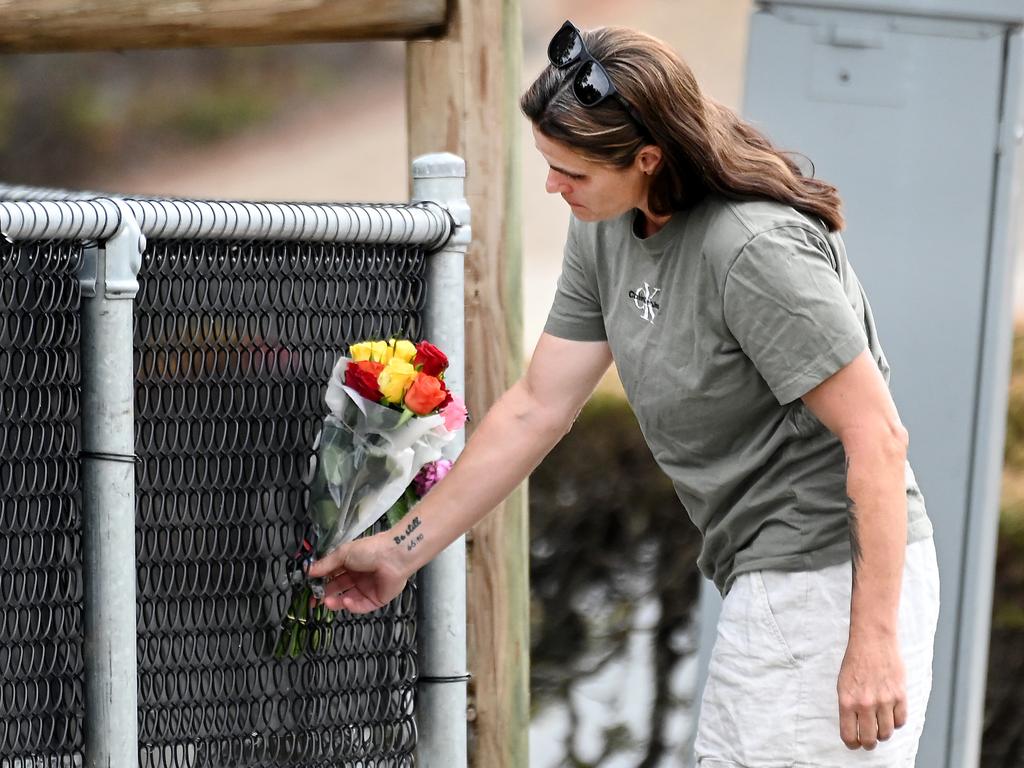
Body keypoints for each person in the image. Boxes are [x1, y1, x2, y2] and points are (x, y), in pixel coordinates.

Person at [309, 20, 940, 766]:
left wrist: (871, 644)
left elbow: (878, 438)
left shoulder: (755, 247)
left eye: (571, 172)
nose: (553, 186)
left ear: (647, 158)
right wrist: (401, 550)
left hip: (829, 581)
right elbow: (535, 407)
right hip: (763, 580)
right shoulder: (608, 225)